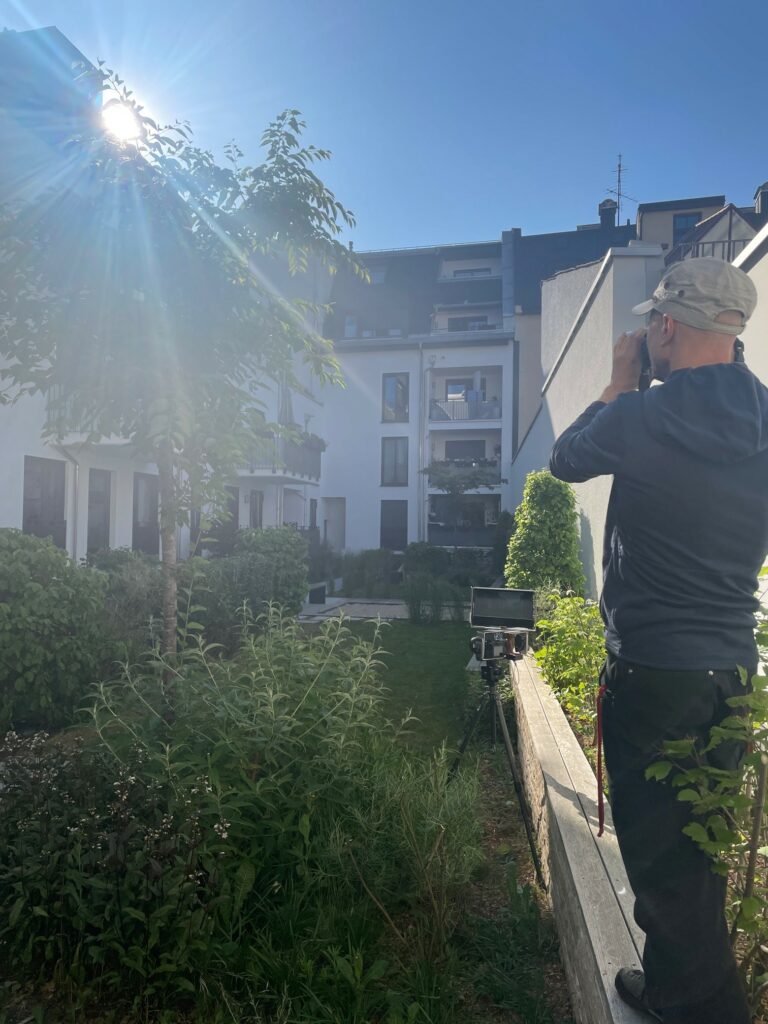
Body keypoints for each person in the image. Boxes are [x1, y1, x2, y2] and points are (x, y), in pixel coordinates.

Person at [549, 257, 768, 1024]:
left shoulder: (642, 416)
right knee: (698, 855)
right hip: (732, 671)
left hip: (655, 672)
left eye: (652, 324)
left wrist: (619, 380)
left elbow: (564, 459)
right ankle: (684, 989)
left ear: (668, 326)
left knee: (663, 863)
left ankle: (695, 1004)